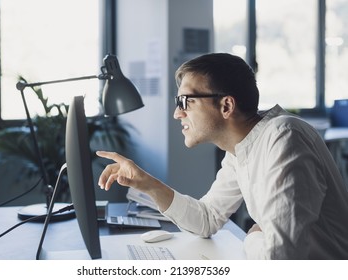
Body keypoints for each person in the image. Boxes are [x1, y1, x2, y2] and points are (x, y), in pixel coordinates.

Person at [96, 53, 348, 259]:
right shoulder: (241, 148)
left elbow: (279, 259)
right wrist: (148, 184)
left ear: (226, 106)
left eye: (185, 101)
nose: (177, 113)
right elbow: (207, 218)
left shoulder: (284, 137)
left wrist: (252, 237)